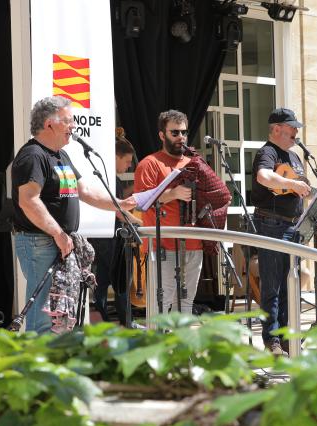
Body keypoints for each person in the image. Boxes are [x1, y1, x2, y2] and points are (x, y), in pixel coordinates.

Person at [11, 95, 137, 334]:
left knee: (59, 317)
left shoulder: (61, 155)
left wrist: (120, 204)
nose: (74, 127)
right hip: (39, 242)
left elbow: (85, 191)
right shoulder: (32, 156)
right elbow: (28, 201)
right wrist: (58, 233)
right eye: (68, 121)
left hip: (58, 241)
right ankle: (37, 368)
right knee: (43, 317)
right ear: (49, 123)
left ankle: (55, 365)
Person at [251, 108, 311, 355]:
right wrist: (291, 184)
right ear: (276, 129)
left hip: (292, 224)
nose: (296, 132)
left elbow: (300, 188)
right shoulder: (267, 152)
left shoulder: (294, 156)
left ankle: (288, 336)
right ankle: (272, 340)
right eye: (291, 128)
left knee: (290, 284)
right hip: (271, 223)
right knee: (272, 285)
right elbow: (264, 177)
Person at [134, 110, 203, 314]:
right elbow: (140, 202)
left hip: (194, 242)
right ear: (162, 135)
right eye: (175, 132)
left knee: (186, 308)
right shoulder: (149, 163)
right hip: (163, 245)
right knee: (160, 309)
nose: (181, 137)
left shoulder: (194, 163)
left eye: (184, 132)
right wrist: (173, 194)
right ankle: (159, 346)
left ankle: (182, 346)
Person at [90, 131, 141, 325]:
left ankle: (101, 321)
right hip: (110, 237)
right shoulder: (111, 178)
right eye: (127, 161)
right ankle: (127, 322)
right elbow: (117, 209)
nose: (129, 165)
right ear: (115, 157)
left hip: (100, 236)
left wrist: (133, 191)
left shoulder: (108, 177)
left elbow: (117, 200)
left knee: (101, 283)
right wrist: (138, 222)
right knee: (121, 282)